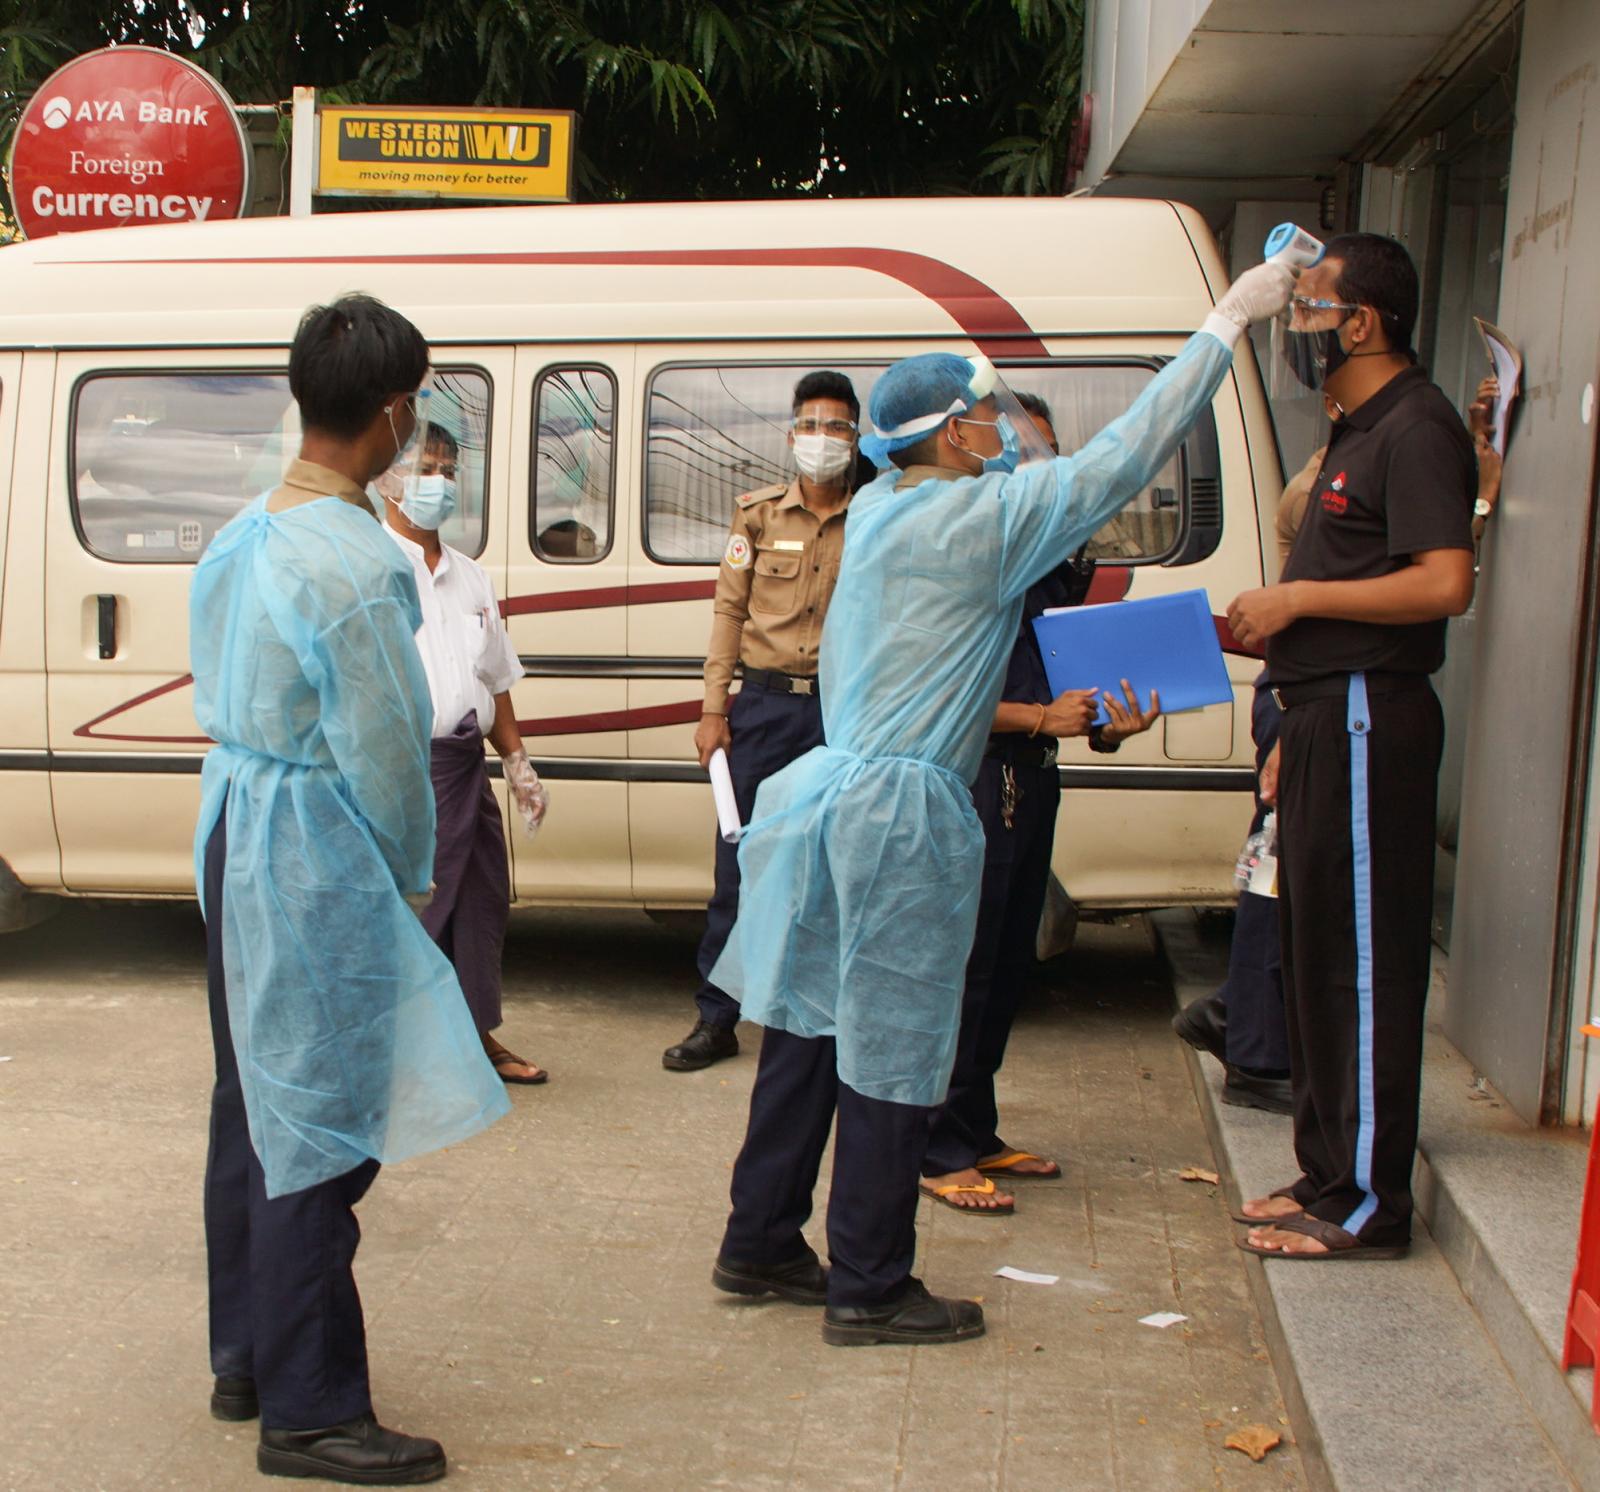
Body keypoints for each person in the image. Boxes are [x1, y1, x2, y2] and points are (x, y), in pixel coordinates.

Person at [706, 260, 1294, 1344]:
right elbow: (1124, 459)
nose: (1003, 432)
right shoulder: (976, 520)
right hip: (901, 818)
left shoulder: (880, 507)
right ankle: (870, 1284)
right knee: (891, 1041)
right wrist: (1224, 323)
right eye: (986, 416)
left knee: (807, 1026)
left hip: (830, 796)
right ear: (951, 433)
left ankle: (761, 1240)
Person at [191, 293, 509, 1483]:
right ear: (390, 412)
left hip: (235, 825)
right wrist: (410, 876)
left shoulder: (244, 531)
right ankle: (312, 1407)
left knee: (252, 1100)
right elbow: (385, 748)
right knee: (317, 1121)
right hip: (312, 849)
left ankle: (249, 1353)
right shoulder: (356, 559)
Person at [1227, 233, 1475, 1260]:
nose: (1296, 326)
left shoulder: (1416, 426)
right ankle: (1327, 1171)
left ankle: (1367, 1204)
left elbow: (1443, 582)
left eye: (1309, 308)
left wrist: (1298, 601)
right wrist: (1293, 721)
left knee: (1362, 961)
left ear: (1361, 322)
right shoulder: (1358, 427)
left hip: (1371, 710)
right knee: (1315, 952)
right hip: (1326, 717)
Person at [920, 390, 1161, 1215]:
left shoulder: (1049, 561)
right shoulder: (959, 555)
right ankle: (934, 1145)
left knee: (1008, 963)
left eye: (1052, 452)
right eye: (1025, 449)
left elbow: (1062, 684)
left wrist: (1107, 723)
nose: (1044, 468)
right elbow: (927, 693)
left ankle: (974, 1128)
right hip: (974, 777)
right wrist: (1034, 717)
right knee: (965, 966)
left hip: (1032, 778)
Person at [661, 371, 861, 1071]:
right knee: (740, 864)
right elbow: (729, 611)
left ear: (856, 437)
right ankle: (717, 1018)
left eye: (836, 427)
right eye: (810, 425)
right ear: (791, 433)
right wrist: (714, 708)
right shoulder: (759, 516)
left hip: (843, 714)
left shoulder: (874, 516)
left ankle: (823, 1019)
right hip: (764, 710)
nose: (821, 438)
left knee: (835, 867)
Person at [379, 425, 550, 1087]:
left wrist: (518, 764)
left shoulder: (471, 576)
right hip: (400, 772)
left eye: (449, 471)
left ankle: (474, 1037)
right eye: (426, 467)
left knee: (479, 904)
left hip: (463, 767)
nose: (440, 483)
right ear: (387, 477)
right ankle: (395, 1050)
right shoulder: (372, 567)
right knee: (415, 910)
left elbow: (495, 679)